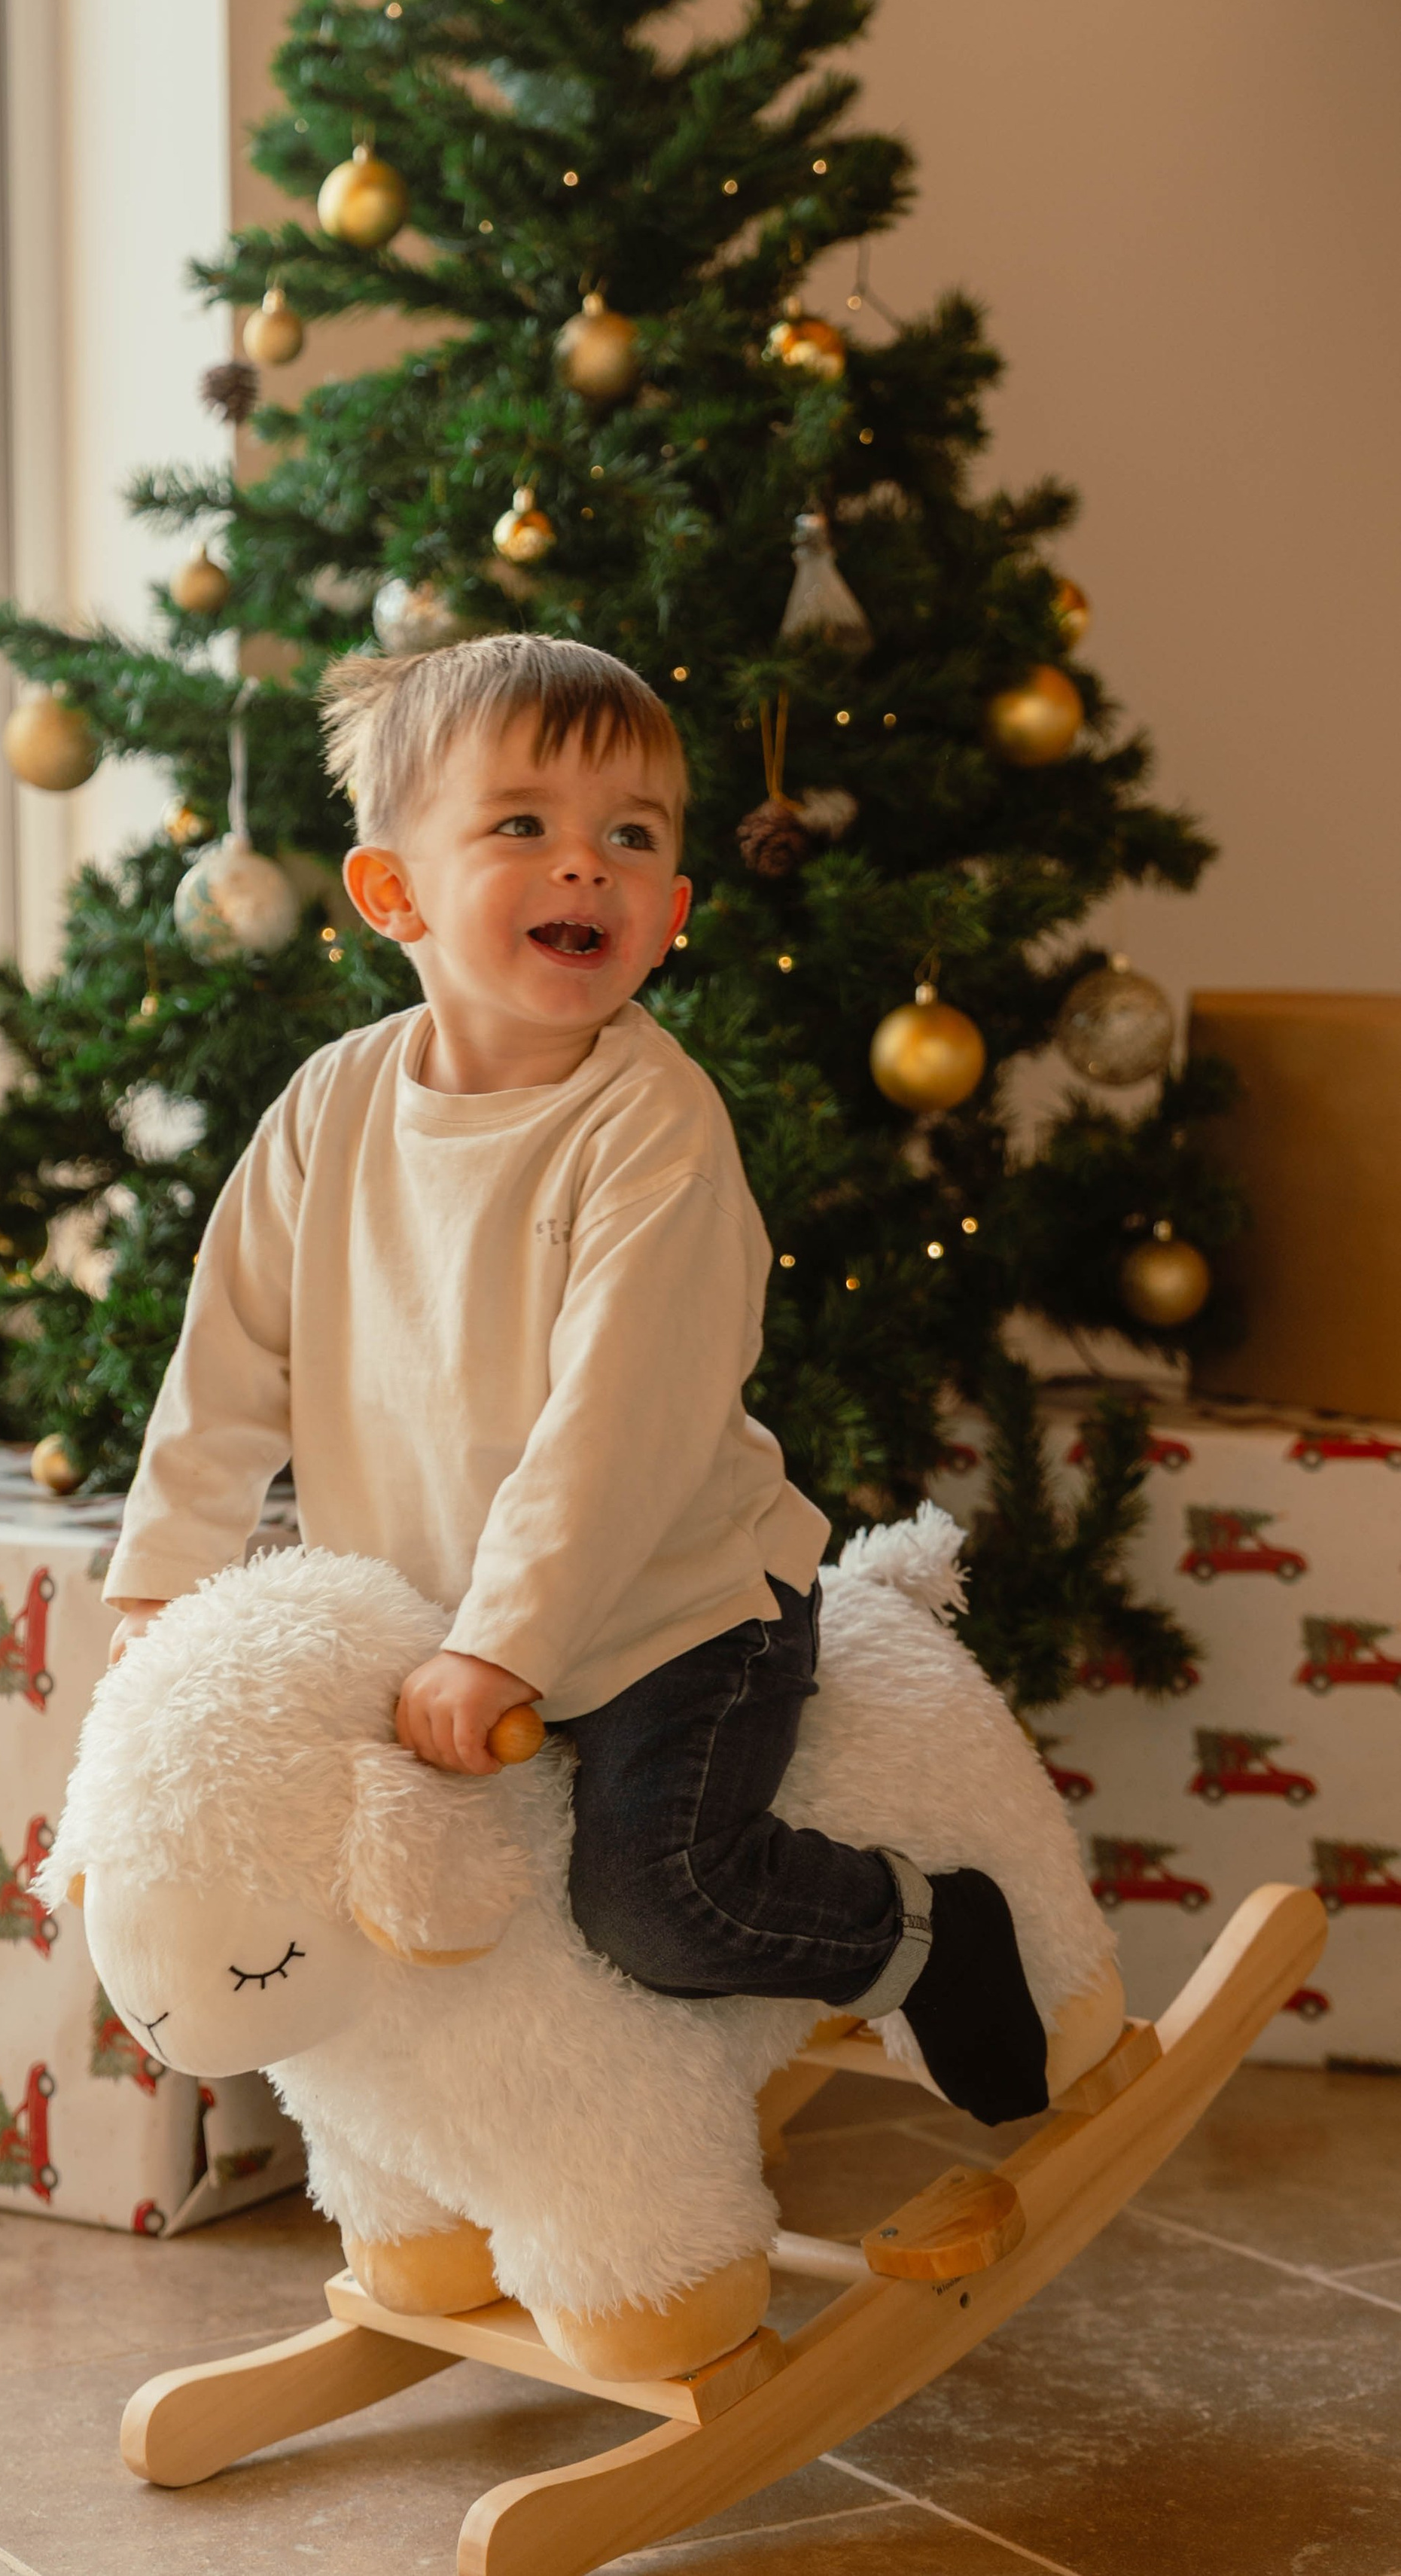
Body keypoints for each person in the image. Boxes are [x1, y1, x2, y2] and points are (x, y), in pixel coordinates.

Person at [100, 632, 1047, 2126]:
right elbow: (227, 1355)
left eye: (628, 836)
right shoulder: (329, 1105)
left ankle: (917, 1930)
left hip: (666, 1611)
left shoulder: (650, 1129)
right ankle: (451, 2162)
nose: (583, 867)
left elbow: (616, 1432)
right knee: (378, 1884)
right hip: (423, 1607)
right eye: (521, 825)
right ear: (392, 892)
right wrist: (165, 1577)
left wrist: (503, 1647)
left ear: (668, 909)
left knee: (653, 1902)